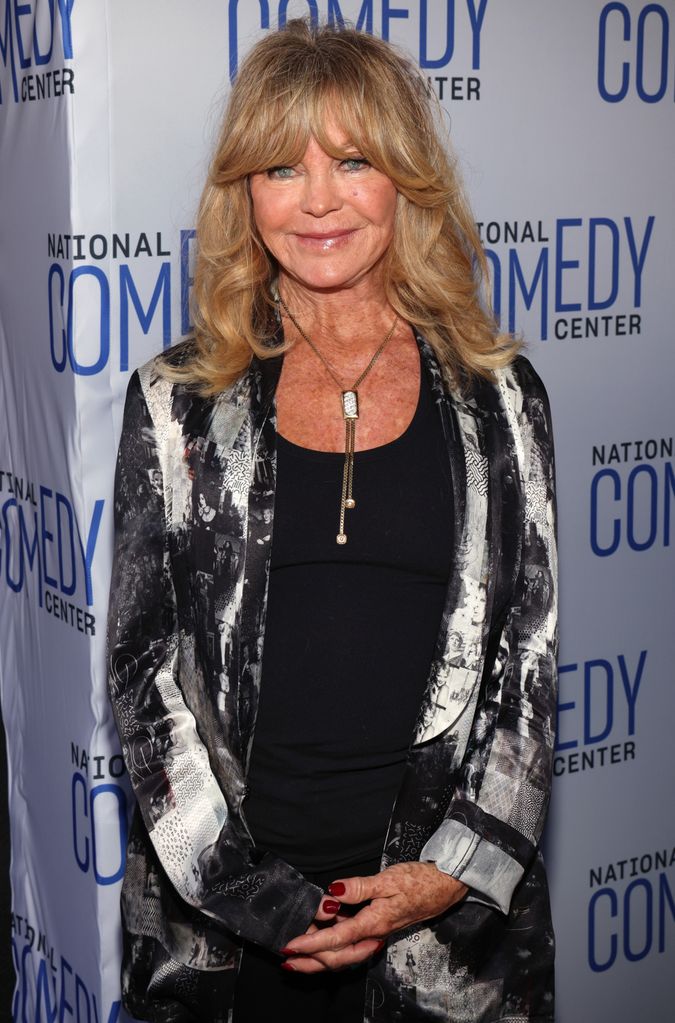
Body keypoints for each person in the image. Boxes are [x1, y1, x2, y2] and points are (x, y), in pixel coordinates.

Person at [107, 18, 558, 1023]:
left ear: (405, 176)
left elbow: (525, 671)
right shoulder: (178, 398)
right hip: (224, 944)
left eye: (352, 160)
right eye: (280, 166)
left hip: (442, 944)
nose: (317, 200)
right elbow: (143, 673)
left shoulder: (500, 398)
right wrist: (254, 898)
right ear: (245, 193)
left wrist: (448, 876)